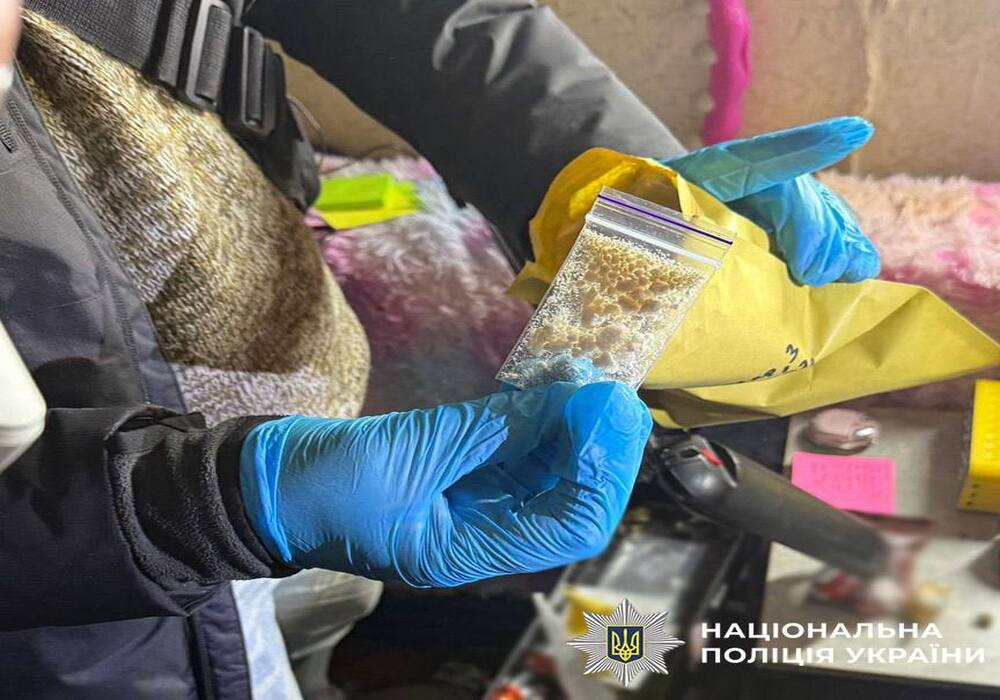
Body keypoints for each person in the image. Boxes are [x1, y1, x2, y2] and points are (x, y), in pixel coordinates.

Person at [0, 1, 880, 698]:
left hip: (314, 475)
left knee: (313, 641)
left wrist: (607, 181)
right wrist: (185, 513)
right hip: (92, 615)